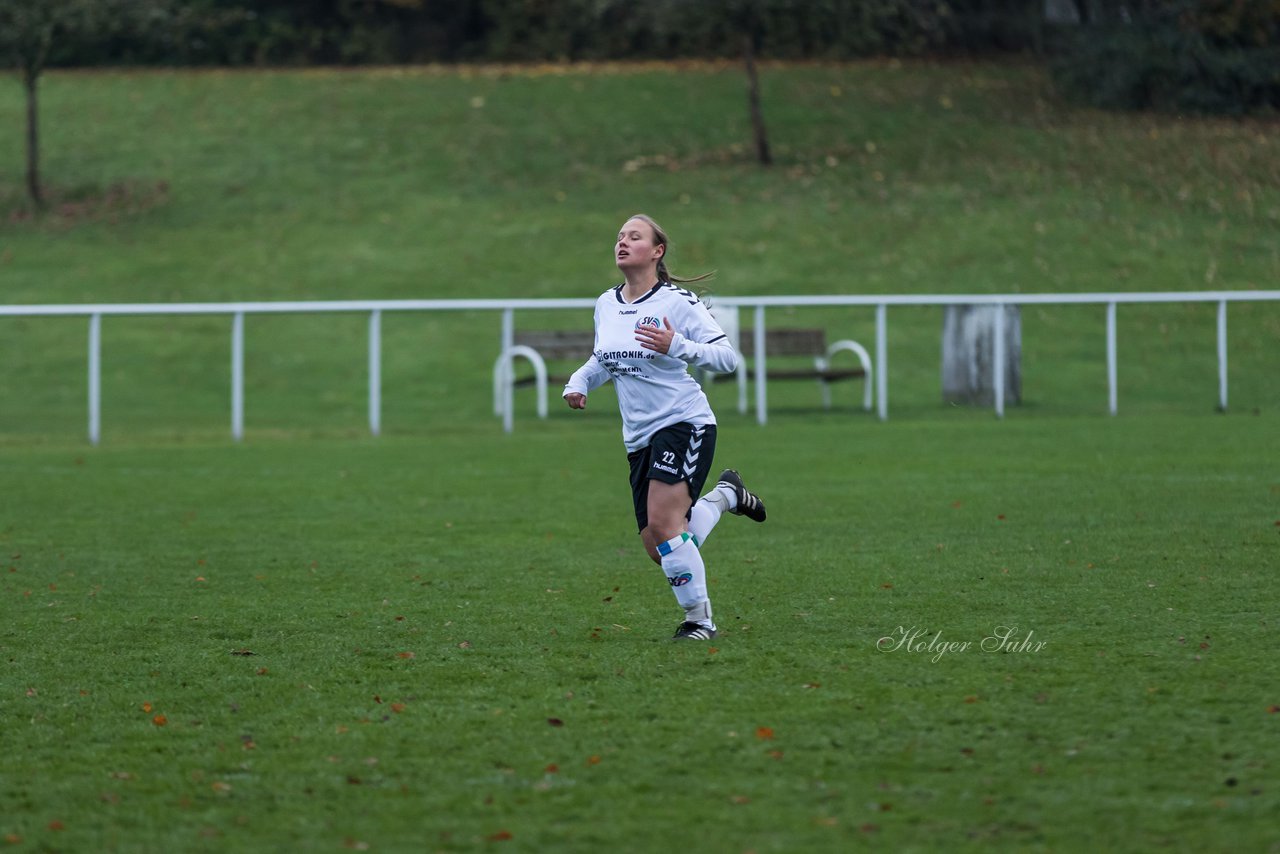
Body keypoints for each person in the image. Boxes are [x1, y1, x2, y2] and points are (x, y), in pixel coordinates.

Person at [563, 214, 766, 641]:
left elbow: (728, 359)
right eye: (619, 236)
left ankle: (700, 622)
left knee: (666, 525)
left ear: (656, 252)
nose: (622, 242)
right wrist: (580, 381)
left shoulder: (678, 303)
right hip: (637, 437)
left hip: (683, 422)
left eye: (634, 237)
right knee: (661, 547)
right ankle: (727, 496)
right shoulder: (606, 303)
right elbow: (604, 358)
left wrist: (677, 346)